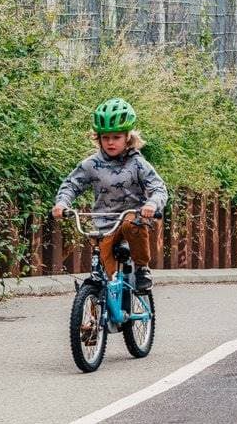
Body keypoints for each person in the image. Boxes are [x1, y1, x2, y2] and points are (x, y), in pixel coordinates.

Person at [52, 98, 169, 301]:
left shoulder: (138, 163)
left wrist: (151, 204)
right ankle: (92, 317)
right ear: (98, 139)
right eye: (106, 138)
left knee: (132, 223)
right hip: (104, 223)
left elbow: (158, 188)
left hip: (132, 218)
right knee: (105, 276)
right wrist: (62, 203)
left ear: (128, 138)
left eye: (116, 137)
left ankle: (141, 269)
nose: (111, 142)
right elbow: (71, 184)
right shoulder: (91, 164)